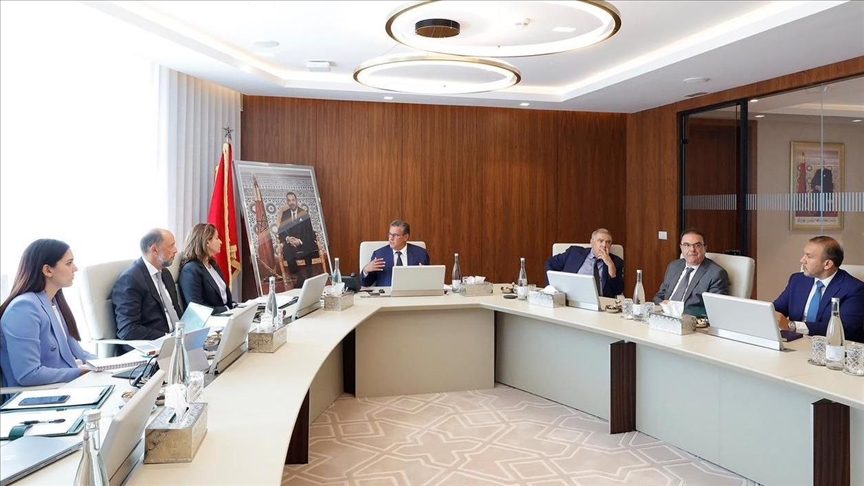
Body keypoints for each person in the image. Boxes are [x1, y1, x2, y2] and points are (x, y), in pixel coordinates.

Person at [0, 239, 96, 387]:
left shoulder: (53, 301)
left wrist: (113, 364)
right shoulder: (23, 308)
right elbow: (28, 374)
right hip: (40, 394)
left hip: (65, 386)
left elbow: (79, 353)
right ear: (48, 270)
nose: (75, 268)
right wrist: (81, 372)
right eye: (69, 263)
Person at [774, 236, 864, 342]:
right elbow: (776, 309)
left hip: (833, 346)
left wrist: (792, 326)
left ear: (827, 264)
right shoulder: (798, 280)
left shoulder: (855, 289)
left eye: (809, 256)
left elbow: (844, 329)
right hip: (796, 342)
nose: (802, 260)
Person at [112, 228, 184, 341]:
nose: (175, 250)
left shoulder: (165, 273)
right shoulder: (130, 280)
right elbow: (128, 329)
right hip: (153, 344)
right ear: (154, 250)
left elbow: (175, 310)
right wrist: (167, 338)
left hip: (177, 339)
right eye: (171, 246)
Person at [653, 229, 730, 310]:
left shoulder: (716, 274)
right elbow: (659, 296)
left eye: (697, 245)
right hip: (664, 313)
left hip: (689, 317)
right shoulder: (674, 266)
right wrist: (663, 305)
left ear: (705, 248)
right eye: (686, 245)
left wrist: (675, 308)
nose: (692, 249)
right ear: (681, 247)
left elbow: (714, 309)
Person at [545, 228, 624, 298]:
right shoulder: (574, 253)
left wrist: (610, 265)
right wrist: (552, 288)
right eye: (600, 241)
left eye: (608, 242)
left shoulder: (616, 262)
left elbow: (617, 291)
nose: (604, 245)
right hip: (571, 300)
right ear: (592, 242)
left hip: (600, 302)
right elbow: (550, 264)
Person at [178, 223, 236, 314]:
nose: (220, 242)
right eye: (217, 238)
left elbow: (224, 299)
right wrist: (226, 310)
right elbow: (197, 307)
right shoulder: (190, 270)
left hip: (225, 315)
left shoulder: (213, 265)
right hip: (211, 320)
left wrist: (235, 306)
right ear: (207, 242)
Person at [361, 220, 430, 287]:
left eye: (395, 235)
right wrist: (365, 271)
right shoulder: (379, 255)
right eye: (390, 234)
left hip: (412, 293)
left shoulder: (420, 254)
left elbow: (428, 281)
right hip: (387, 294)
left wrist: (423, 275)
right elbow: (366, 283)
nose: (391, 238)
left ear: (406, 237)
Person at [276, 192, 320, 287]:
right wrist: (288, 238)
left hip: (303, 241)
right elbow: (280, 231)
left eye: (293, 200)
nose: (291, 202)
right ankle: (300, 277)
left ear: (296, 200)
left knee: (308, 248)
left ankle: (309, 277)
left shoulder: (304, 213)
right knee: (287, 251)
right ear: (287, 202)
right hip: (291, 243)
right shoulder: (285, 214)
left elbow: (309, 231)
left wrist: (299, 241)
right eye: (289, 200)